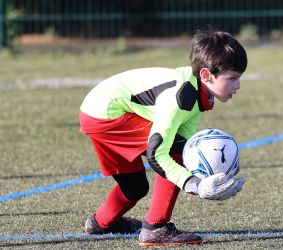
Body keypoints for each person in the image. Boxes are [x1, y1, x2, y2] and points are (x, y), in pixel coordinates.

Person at [79, 29, 247, 247]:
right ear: (206, 75)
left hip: (98, 110)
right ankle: (156, 229)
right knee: (171, 153)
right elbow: (158, 154)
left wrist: (203, 178)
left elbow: (185, 148)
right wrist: (194, 184)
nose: (238, 85)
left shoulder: (196, 92)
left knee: (136, 187)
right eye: (232, 78)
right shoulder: (181, 97)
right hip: (106, 114)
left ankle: (100, 223)